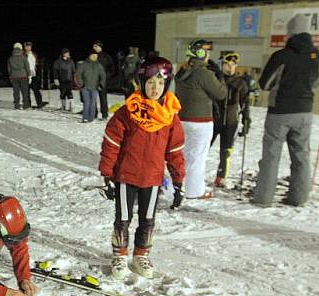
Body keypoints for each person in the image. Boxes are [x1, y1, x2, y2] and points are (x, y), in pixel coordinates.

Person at [99, 57, 185, 279]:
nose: (154, 88)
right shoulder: (128, 111)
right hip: (127, 175)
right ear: (142, 83)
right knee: (123, 219)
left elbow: (175, 152)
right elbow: (112, 143)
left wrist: (178, 181)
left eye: (159, 83)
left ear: (166, 85)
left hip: (153, 178)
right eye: (150, 82)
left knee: (148, 219)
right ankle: (120, 256)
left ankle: (140, 255)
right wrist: (107, 174)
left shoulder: (170, 117)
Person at [253, 14, 319, 207]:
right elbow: (318, 82)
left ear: (290, 32)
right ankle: (299, 197)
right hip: (305, 112)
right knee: (301, 155)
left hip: (280, 112)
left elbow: (265, 84)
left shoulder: (281, 56)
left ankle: (264, 198)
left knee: (271, 155)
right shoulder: (318, 55)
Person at [175, 39, 227, 199]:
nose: (209, 54)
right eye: (207, 51)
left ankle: (178, 186)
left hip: (182, 119)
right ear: (201, 53)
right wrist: (219, 76)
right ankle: (195, 191)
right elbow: (221, 93)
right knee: (197, 157)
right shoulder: (204, 73)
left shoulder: (182, 71)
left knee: (183, 155)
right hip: (201, 121)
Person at [211, 52, 251, 188]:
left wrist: (246, 119)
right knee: (203, 149)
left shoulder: (240, 82)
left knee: (226, 151)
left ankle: (220, 177)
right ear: (221, 65)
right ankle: (194, 174)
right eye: (227, 64)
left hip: (230, 122)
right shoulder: (215, 79)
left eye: (233, 64)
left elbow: (245, 103)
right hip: (213, 121)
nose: (230, 67)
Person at [76, 50, 106, 123]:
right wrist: (81, 83)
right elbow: (78, 74)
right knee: (87, 102)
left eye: (96, 56)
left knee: (93, 103)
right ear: (90, 55)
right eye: (94, 55)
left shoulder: (98, 65)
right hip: (85, 87)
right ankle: (85, 118)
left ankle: (91, 118)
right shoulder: (84, 64)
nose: (95, 57)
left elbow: (103, 75)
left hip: (94, 87)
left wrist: (101, 84)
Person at [93, 40, 116, 120]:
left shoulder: (106, 56)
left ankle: (104, 114)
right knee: (93, 97)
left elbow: (112, 68)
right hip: (93, 80)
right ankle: (94, 113)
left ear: (100, 47)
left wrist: (106, 76)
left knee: (103, 97)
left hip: (102, 81)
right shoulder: (92, 55)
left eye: (96, 46)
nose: (94, 47)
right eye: (94, 46)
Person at [8, 42, 31, 110]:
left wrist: (10, 75)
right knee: (25, 91)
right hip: (23, 76)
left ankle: (16, 105)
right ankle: (25, 105)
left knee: (16, 92)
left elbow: (9, 68)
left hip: (14, 76)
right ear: (21, 48)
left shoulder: (10, 58)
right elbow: (27, 66)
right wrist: (29, 75)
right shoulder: (23, 57)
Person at [24, 41, 46, 108]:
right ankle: (28, 104)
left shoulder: (34, 54)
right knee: (26, 90)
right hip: (26, 75)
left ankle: (39, 103)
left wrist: (41, 64)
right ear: (25, 47)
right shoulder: (23, 55)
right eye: (27, 46)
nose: (28, 47)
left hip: (33, 74)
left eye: (29, 46)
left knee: (36, 89)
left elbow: (37, 63)